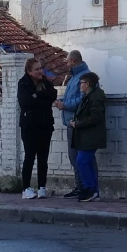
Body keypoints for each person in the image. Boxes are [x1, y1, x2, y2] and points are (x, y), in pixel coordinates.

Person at [17, 56, 58, 199]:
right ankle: (26, 188)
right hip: (29, 126)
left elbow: (52, 95)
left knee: (43, 158)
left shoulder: (45, 82)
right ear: (29, 71)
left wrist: (37, 95)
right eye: (37, 69)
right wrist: (41, 100)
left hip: (45, 125)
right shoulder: (23, 84)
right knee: (29, 156)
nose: (40, 71)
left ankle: (42, 187)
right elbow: (26, 102)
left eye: (41, 68)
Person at [54, 50, 92, 198]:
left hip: (78, 123)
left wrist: (65, 105)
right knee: (73, 156)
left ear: (74, 61)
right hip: (71, 123)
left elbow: (82, 101)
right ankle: (80, 186)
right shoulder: (75, 77)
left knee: (80, 157)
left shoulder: (84, 77)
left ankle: (86, 187)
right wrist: (61, 101)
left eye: (68, 61)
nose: (67, 64)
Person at [68, 72, 106, 202]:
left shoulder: (96, 97)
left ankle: (90, 189)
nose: (80, 85)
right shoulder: (88, 96)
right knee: (85, 162)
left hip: (91, 136)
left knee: (82, 161)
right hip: (86, 136)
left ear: (88, 84)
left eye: (82, 83)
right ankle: (93, 191)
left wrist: (77, 124)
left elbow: (95, 117)